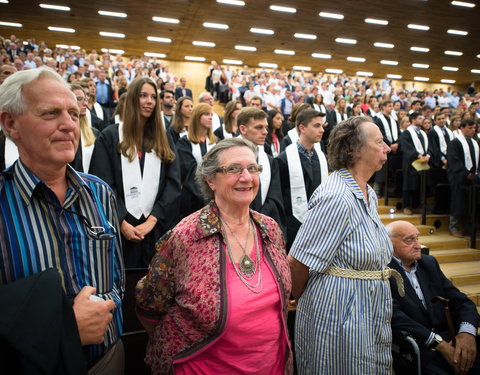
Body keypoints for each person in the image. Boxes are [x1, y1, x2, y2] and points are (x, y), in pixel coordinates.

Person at [0, 66, 124, 372]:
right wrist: (63, 327)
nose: (69, 124)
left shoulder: (100, 193)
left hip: (106, 359)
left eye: (73, 113)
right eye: (51, 114)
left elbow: (117, 279)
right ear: (11, 123)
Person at [135, 137, 292, 375]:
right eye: (233, 169)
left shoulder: (270, 229)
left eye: (252, 168)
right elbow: (149, 307)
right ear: (210, 180)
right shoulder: (186, 236)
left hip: (272, 366)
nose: (246, 177)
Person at [288, 116, 396, 374]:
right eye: (379, 141)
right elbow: (296, 263)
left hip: (365, 311)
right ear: (355, 149)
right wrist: (314, 305)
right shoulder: (337, 197)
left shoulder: (367, 193)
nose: (387, 147)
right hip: (338, 315)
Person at [90, 77, 181, 268]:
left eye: (153, 97)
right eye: (143, 96)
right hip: (117, 230)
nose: (149, 101)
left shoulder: (164, 139)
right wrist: (121, 222)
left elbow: (173, 184)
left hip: (154, 230)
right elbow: (102, 184)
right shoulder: (110, 135)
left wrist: (154, 218)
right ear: (132, 99)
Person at [387, 220, 480, 375]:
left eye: (417, 238)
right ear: (388, 244)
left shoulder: (429, 263)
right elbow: (395, 317)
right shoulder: (384, 272)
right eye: (409, 240)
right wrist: (440, 345)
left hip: (452, 339)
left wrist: (467, 334)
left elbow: (461, 301)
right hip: (419, 347)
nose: (417, 245)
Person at [277, 108, 328, 250]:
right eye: (317, 126)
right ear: (302, 128)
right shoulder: (284, 159)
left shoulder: (321, 157)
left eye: (322, 126)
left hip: (319, 225)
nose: (322, 130)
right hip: (293, 228)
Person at [237, 107, 285, 231]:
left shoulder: (269, 161)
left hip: (262, 225)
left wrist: (257, 219)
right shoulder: (225, 156)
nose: (264, 132)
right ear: (243, 129)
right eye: (259, 127)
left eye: (266, 127)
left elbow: (274, 198)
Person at [177, 103, 217, 217]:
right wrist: (207, 198)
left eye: (211, 114)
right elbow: (189, 171)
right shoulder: (184, 142)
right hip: (192, 199)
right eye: (206, 114)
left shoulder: (215, 141)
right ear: (196, 117)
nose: (210, 117)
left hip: (215, 196)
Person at [447, 118, 479, 238]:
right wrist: (465, 173)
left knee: (471, 203)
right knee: (458, 202)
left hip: (472, 179)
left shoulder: (475, 142)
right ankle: (453, 227)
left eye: (474, 128)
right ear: (462, 128)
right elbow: (454, 160)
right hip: (458, 177)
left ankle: (468, 227)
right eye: (469, 128)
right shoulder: (455, 143)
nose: (472, 130)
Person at [399, 112, 432, 215]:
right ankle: (407, 206)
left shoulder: (423, 133)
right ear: (413, 120)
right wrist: (417, 155)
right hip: (411, 162)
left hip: (422, 161)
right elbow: (405, 147)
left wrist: (428, 155)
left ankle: (417, 205)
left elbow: (429, 146)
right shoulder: (407, 133)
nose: (422, 120)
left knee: (419, 184)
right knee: (409, 184)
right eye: (420, 118)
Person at [70, 83, 99, 173]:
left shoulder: (94, 133)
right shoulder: (61, 132)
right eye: (79, 99)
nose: (85, 103)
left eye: (85, 100)